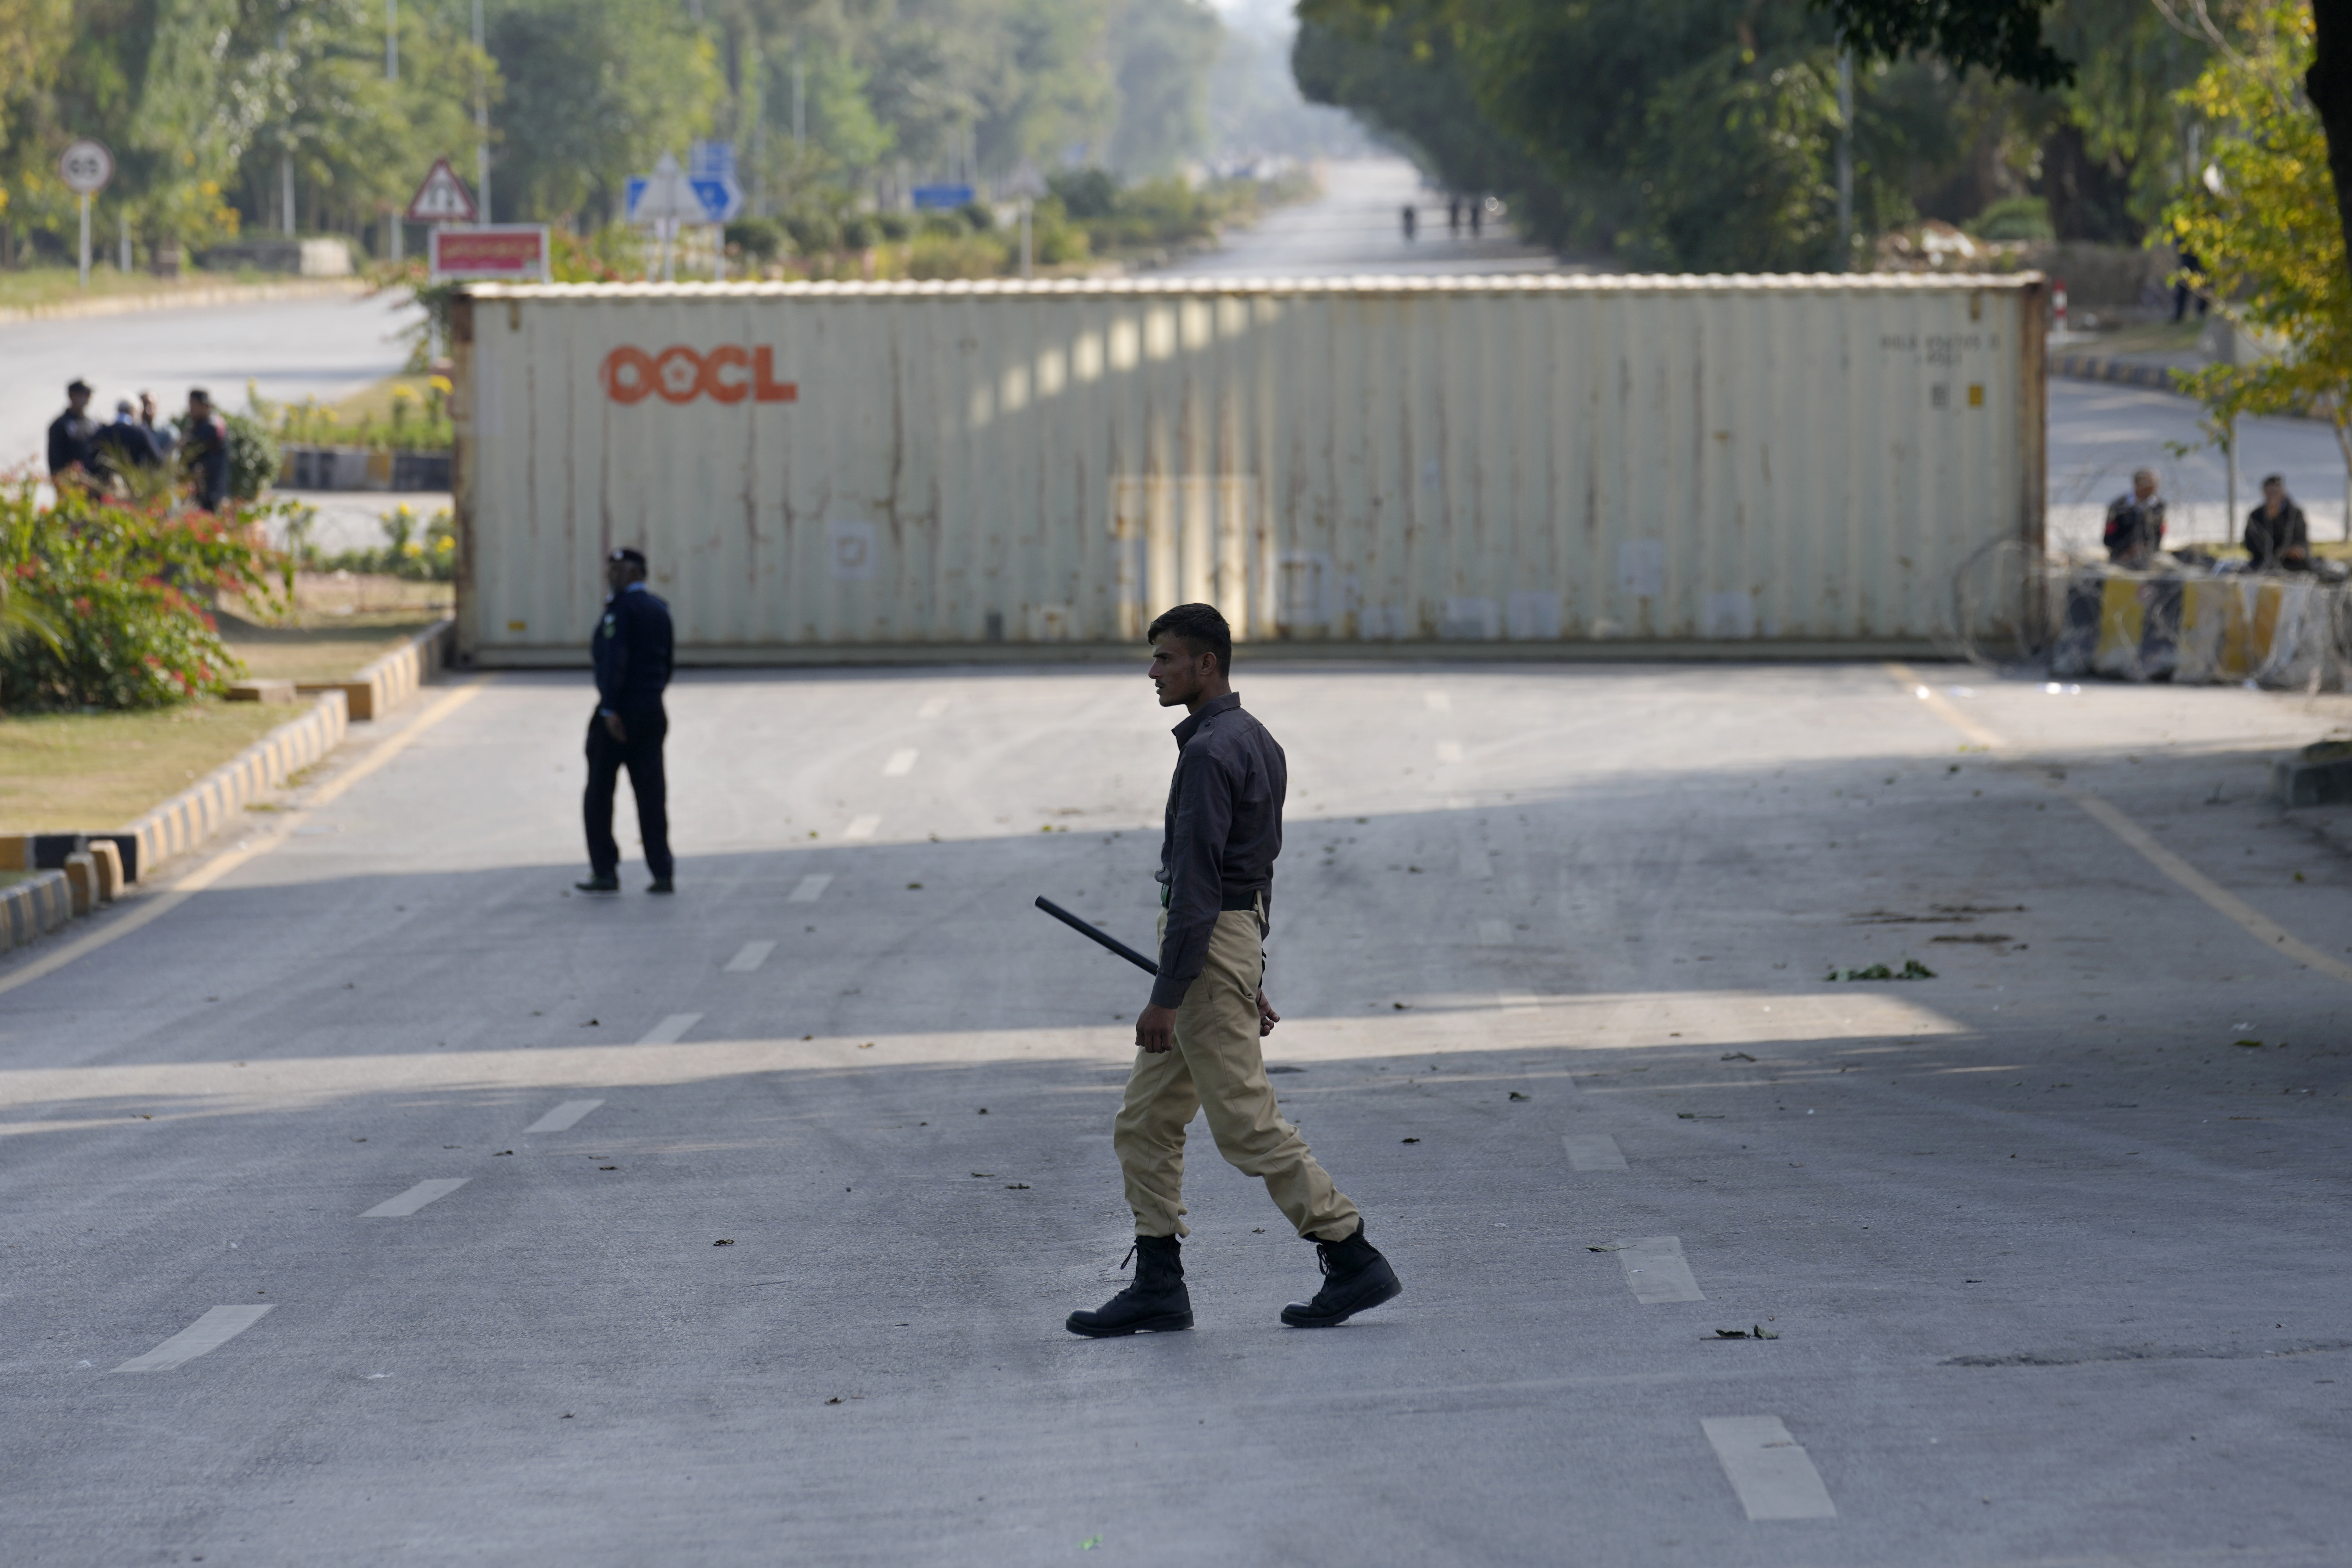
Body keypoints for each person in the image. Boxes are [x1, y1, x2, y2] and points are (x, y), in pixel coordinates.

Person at [1067, 603, 1402, 1337]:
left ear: (1205, 664)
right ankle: (1159, 1283)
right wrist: (1246, 970)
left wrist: (1169, 995)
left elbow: (1197, 887)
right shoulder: (1254, 739)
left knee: (1245, 1124)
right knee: (1145, 1122)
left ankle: (1349, 1251)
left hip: (1203, 946)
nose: (1153, 673)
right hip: (1223, 945)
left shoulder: (1211, 754)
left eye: (1164, 658)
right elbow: (1256, 875)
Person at [578, 547, 676, 895]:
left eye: (620, 570)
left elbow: (613, 662)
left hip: (618, 716)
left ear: (637, 573)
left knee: (599, 794)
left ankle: (605, 871)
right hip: (652, 710)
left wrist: (609, 709)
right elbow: (667, 667)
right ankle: (662, 871)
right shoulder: (659, 609)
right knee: (652, 795)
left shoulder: (619, 612)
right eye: (611, 569)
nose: (612, 575)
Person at [2243, 475, 2312, 571]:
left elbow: (2300, 538)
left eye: (2276, 491)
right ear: (2264, 493)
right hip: (2263, 561)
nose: (2273, 495)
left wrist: (2294, 549)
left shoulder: (2294, 514)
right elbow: (2250, 543)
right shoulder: (2256, 515)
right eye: (2270, 492)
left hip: (2291, 562)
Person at [177, 388, 231, 511]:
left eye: (193, 406)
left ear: (205, 406)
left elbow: (190, 450)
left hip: (210, 488)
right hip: (212, 487)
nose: (191, 410)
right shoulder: (206, 422)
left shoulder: (210, 426)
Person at [2103, 468, 2167, 568]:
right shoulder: (2120, 507)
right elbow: (2108, 538)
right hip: (2122, 556)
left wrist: (2148, 549)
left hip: (2148, 556)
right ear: (2138, 484)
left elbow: (2160, 534)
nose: (2153, 488)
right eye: (2149, 484)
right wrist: (2127, 550)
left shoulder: (2158, 507)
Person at [46, 379, 104, 486]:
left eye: (89, 394)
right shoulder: (60, 425)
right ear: (73, 396)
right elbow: (55, 462)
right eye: (84, 394)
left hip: (94, 486)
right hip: (72, 486)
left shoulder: (93, 423)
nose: (88, 397)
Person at [97, 399, 161, 470]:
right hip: (134, 479)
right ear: (132, 411)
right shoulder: (141, 432)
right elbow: (157, 460)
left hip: (105, 480)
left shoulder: (101, 432)